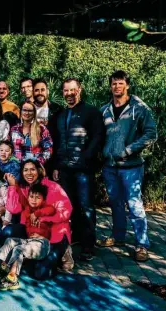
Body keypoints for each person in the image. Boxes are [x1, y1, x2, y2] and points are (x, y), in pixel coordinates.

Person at [97, 70, 157, 262]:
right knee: (115, 203)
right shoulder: (104, 110)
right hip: (110, 166)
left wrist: (129, 150)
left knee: (134, 205)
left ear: (127, 85)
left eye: (121, 83)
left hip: (131, 166)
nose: (117, 87)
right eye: (114, 83)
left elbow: (151, 133)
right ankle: (118, 236)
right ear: (110, 86)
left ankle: (141, 244)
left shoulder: (138, 108)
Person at [51, 78, 105, 261]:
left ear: (80, 90)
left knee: (86, 207)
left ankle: (88, 245)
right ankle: (74, 238)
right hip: (64, 169)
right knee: (69, 207)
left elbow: (97, 137)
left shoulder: (91, 112)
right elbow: (57, 142)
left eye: (73, 90)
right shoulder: (60, 114)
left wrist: (86, 158)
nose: (69, 94)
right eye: (66, 91)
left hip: (83, 169)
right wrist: (56, 166)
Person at [4, 158, 73, 278]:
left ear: (39, 171)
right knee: (7, 232)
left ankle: (64, 250)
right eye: (25, 170)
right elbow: (13, 208)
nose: (29, 173)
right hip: (32, 233)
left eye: (32, 169)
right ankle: (28, 254)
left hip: (54, 233)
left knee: (41, 273)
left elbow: (66, 210)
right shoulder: (24, 188)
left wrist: (43, 219)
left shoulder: (53, 187)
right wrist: (12, 186)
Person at [0, 184, 55, 291]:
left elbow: (51, 209)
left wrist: (37, 213)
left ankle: (12, 278)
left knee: (19, 249)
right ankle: (3, 268)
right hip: (29, 241)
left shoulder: (46, 209)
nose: (34, 200)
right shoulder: (27, 210)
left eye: (38, 197)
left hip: (42, 244)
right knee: (10, 241)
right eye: (31, 197)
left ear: (43, 200)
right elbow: (22, 204)